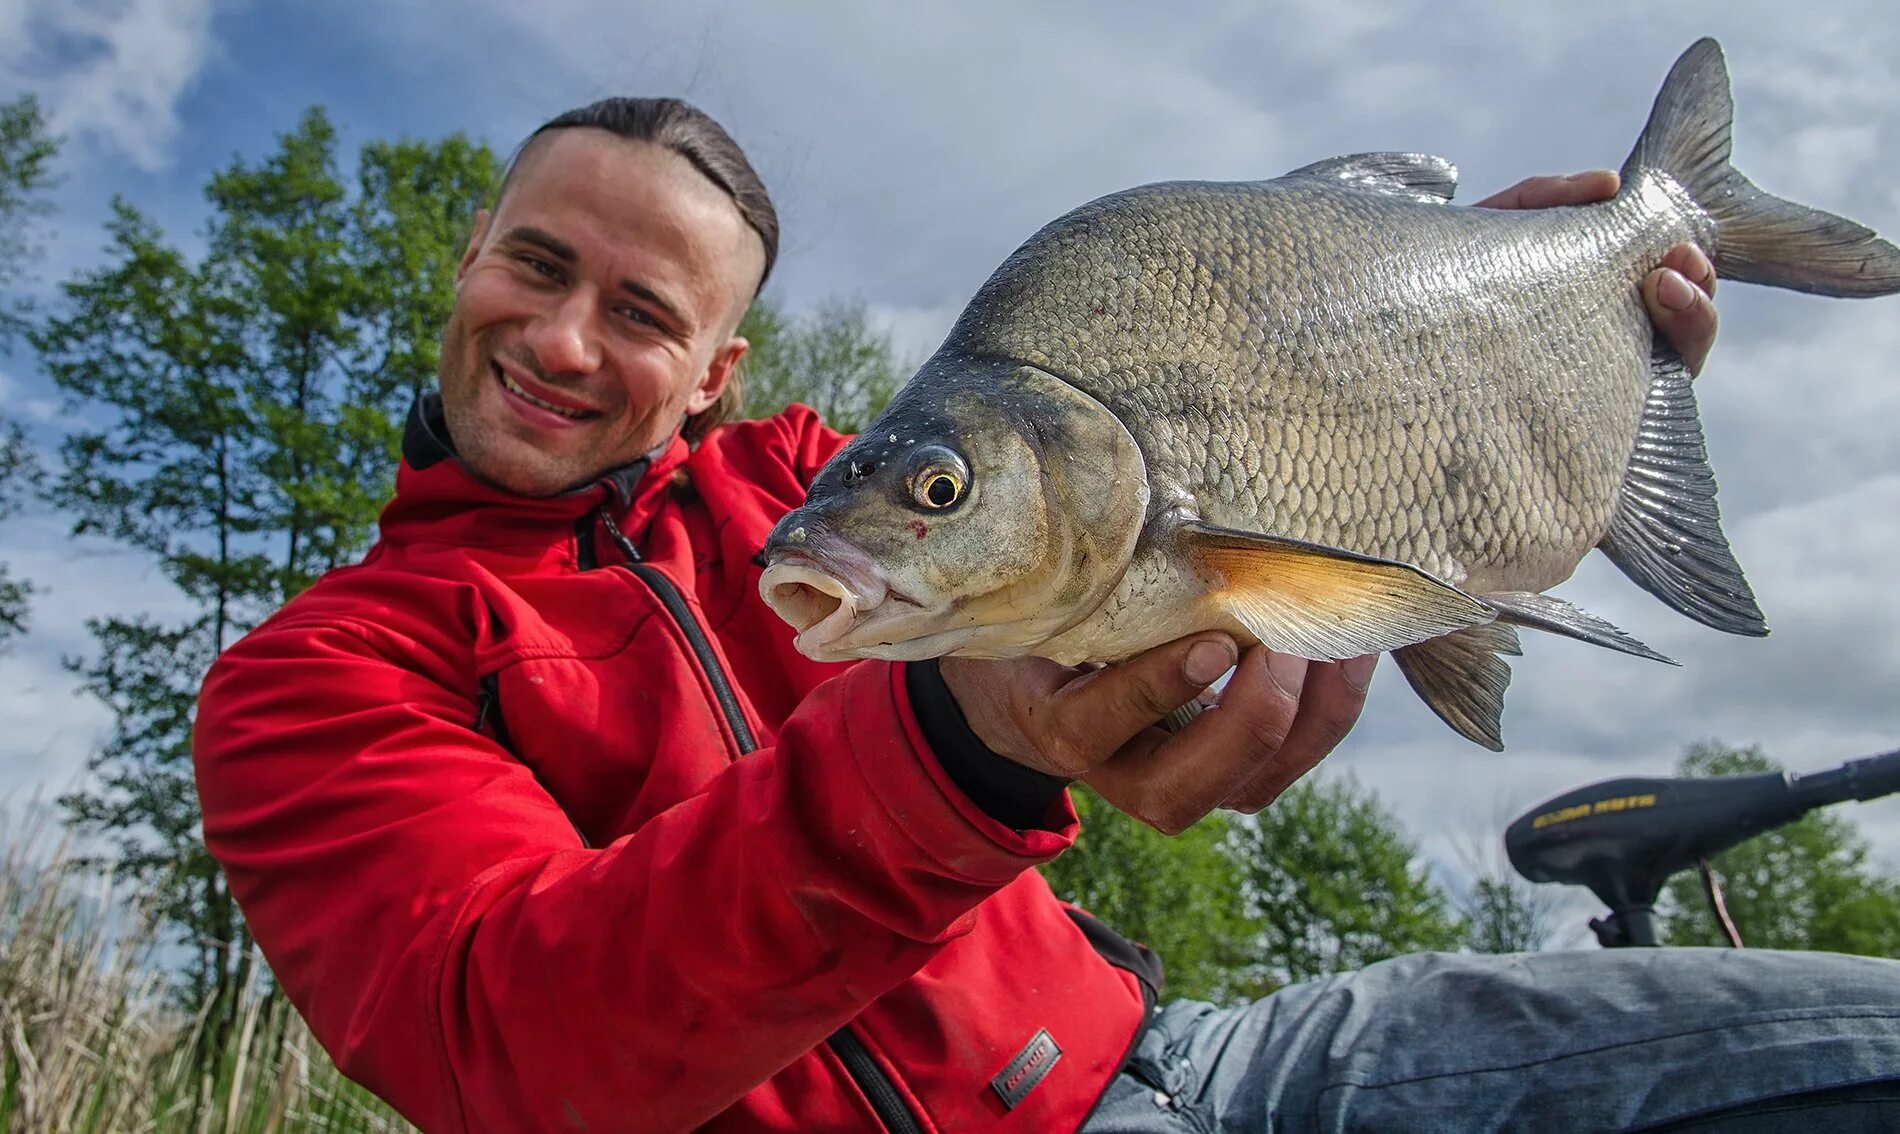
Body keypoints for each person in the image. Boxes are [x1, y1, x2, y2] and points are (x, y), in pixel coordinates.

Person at [191, 98, 1900, 1133]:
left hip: (1204, 1052)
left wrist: (1472, 317)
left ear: (719, 371)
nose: (566, 341)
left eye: (641, 308)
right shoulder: (312, 679)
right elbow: (518, 1058)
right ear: (468, 259)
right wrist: (958, 742)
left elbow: (1211, 475)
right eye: (536, 265)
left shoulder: (807, 479)